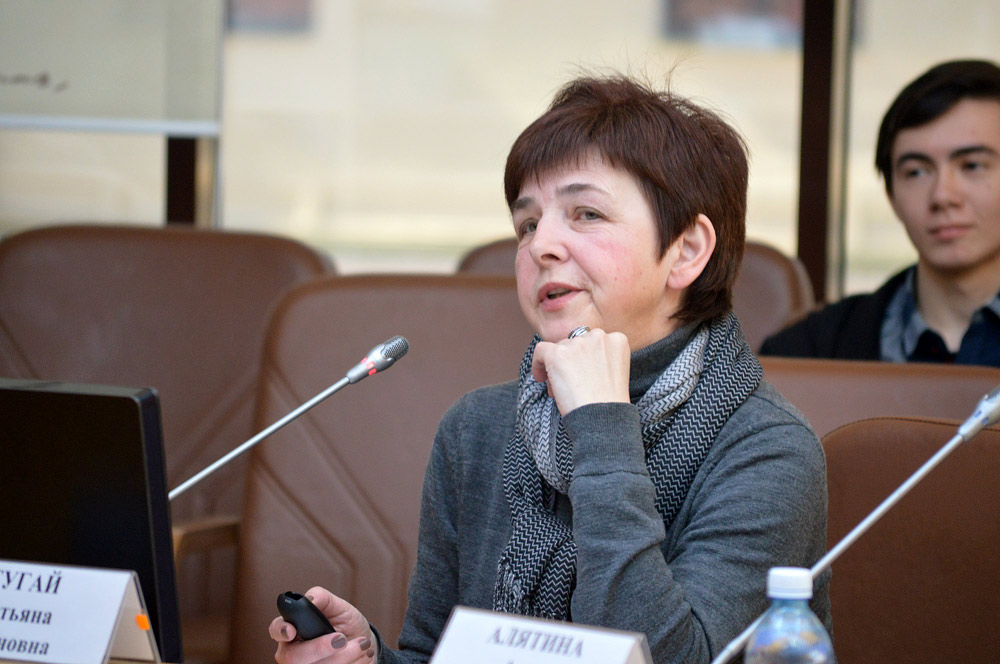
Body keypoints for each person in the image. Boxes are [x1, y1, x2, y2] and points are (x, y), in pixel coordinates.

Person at [269, 74, 830, 664]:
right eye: (528, 225)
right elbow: (434, 654)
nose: (541, 246)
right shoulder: (476, 429)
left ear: (686, 250)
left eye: (585, 213)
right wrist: (369, 659)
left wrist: (601, 427)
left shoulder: (769, 450)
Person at [761, 59, 1000, 366]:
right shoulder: (808, 354)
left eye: (972, 166)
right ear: (891, 196)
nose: (942, 196)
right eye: (916, 172)